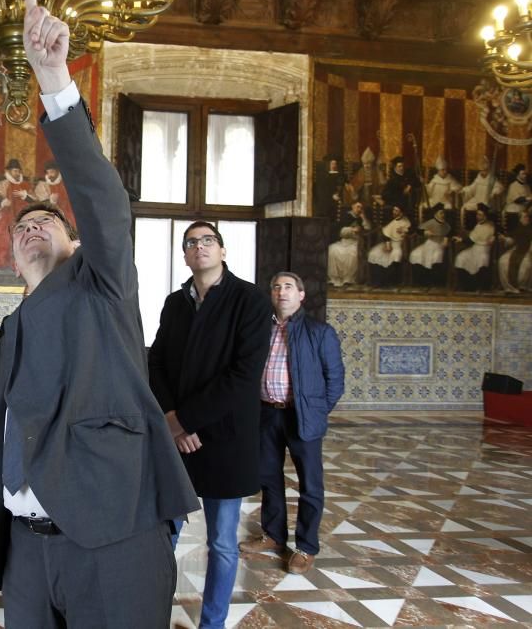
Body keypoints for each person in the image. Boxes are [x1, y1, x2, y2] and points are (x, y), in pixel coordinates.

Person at [0, 0, 198, 626]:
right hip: (26, 553)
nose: (32, 227)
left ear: (74, 242)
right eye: (20, 227)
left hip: (112, 536)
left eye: (48, 223)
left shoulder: (103, 281)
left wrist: (54, 81)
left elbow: (105, 202)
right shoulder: (12, 326)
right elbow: (7, 427)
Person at [148, 221, 272, 628]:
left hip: (225, 438)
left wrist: (183, 420)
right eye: (190, 243)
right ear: (184, 254)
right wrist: (170, 419)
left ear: (221, 250)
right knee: (163, 538)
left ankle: (212, 623)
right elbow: (158, 364)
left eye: (207, 240)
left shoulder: (249, 300)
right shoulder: (174, 302)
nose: (199, 247)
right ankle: (151, 616)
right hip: (176, 440)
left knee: (221, 542)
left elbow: (243, 375)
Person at [239, 272, 344, 576]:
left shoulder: (320, 332)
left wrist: (317, 411)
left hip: (302, 415)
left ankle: (306, 547)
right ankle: (273, 536)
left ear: (301, 295)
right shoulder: (260, 330)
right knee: (268, 478)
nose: (281, 292)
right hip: (266, 414)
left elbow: (335, 380)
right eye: (276, 287)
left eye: (288, 287)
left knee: (310, 485)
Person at [0, 158, 33, 268]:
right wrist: (2, 201)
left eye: (18, 171)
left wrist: (26, 196)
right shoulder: (1, 184)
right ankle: (0, 263)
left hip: (22, 217)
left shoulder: (26, 185)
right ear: (9, 171)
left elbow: (35, 201)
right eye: (15, 170)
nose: (17, 173)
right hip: (3, 215)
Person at [327, 201, 371, 287]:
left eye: (361, 208)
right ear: (352, 207)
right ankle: (335, 278)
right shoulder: (346, 216)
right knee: (332, 249)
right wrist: (352, 230)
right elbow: (341, 232)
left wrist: (363, 217)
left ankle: (348, 279)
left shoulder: (362, 217)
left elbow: (368, 228)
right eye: (357, 207)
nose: (359, 209)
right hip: (344, 241)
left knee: (352, 253)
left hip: (355, 242)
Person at [454, 203, 497, 291]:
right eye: (477, 214)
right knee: (461, 257)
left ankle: (481, 287)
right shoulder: (478, 225)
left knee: (481, 261)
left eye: (480, 214)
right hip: (475, 248)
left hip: (483, 250)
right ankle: (467, 286)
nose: (478, 216)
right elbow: (472, 238)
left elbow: (472, 239)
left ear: (485, 216)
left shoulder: (489, 225)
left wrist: (461, 240)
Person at [367, 204, 411, 287]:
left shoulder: (406, 221)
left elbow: (409, 231)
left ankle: (390, 282)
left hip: (399, 245)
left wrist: (405, 232)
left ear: (401, 213)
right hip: (389, 244)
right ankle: (377, 281)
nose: (394, 212)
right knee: (374, 253)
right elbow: (386, 234)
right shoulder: (392, 222)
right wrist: (387, 244)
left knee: (395, 256)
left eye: (396, 211)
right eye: (394, 210)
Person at [409, 203, 452, 287]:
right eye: (441, 213)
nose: (443, 215)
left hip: (439, 245)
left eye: (443, 213)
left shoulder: (446, 225)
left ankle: (435, 283)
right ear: (436, 214)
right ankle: (420, 282)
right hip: (429, 244)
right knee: (415, 254)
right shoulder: (431, 222)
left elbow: (450, 232)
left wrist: (446, 238)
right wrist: (425, 232)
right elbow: (418, 230)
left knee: (435, 258)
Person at [499, 207, 532, 292]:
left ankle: (523, 286)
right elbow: (513, 240)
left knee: (526, 265)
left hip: (528, 251)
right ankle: (509, 287)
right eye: (524, 217)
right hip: (516, 249)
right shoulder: (518, 228)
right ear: (520, 219)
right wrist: (505, 239)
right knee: (503, 261)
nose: (526, 219)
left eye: (527, 217)